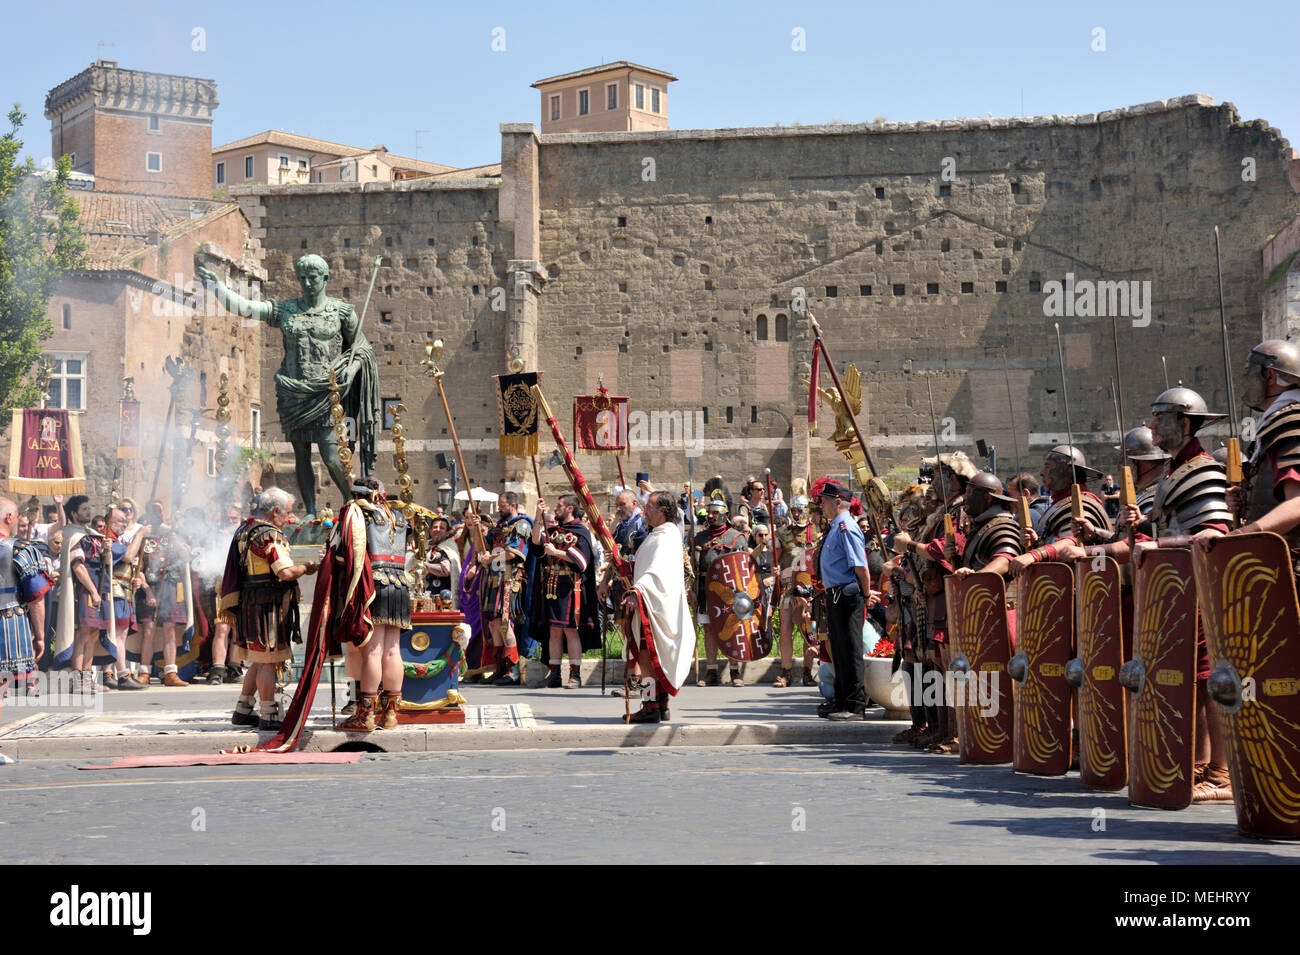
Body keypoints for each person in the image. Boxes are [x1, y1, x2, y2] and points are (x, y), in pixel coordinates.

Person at [197, 255, 382, 519]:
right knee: (301, 455)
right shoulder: (285, 309)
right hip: (293, 392)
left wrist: (351, 369)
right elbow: (246, 307)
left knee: (331, 455)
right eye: (302, 278)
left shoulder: (342, 312)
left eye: (313, 277)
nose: (307, 282)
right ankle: (310, 510)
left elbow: (362, 349)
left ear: (325, 278)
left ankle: (352, 504)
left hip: (327, 394)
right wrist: (218, 289)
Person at [218, 488, 318, 731]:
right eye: (288, 513)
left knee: (257, 660)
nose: (290, 518)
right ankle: (268, 713)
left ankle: (243, 710)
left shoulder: (245, 530)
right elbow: (284, 572)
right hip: (267, 609)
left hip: (251, 603)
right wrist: (308, 567)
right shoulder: (268, 536)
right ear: (275, 511)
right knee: (268, 662)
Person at [333, 478, 411, 732]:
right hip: (399, 583)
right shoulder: (399, 517)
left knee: (374, 652)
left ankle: (365, 715)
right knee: (393, 651)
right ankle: (390, 715)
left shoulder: (357, 514)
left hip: (372, 585)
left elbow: (342, 554)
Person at [619, 491, 695, 723]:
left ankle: (650, 706)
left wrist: (636, 591)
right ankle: (661, 705)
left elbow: (656, 571)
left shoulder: (665, 537)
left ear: (662, 511)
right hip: (655, 602)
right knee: (654, 657)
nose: (645, 511)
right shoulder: (661, 534)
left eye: (650, 507)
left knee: (646, 656)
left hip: (654, 603)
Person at [813, 480, 870, 721]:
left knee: (850, 650)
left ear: (837, 502)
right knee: (839, 650)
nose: (821, 506)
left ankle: (856, 705)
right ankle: (842, 700)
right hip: (835, 595)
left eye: (824, 501)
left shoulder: (846, 526)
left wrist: (866, 595)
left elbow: (860, 566)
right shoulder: (835, 526)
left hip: (847, 596)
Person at [0, 497, 51, 763]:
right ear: (9, 518)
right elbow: (36, 597)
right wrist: (40, 636)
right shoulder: (20, 549)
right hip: (7, 623)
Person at [533, 494, 601, 689]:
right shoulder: (554, 530)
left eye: (560, 505)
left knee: (570, 630)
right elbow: (537, 541)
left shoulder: (581, 532)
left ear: (570, 508)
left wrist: (557, 553)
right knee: (553, 630)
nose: (556, 508)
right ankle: (554, 674)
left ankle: (575, 675)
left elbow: (582, 560)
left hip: (570, 588)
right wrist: (538, 514)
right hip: (551, 585)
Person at [465, 492, 533, 686]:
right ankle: (500, 668)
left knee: (504, 622)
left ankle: (513, 670)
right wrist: (477, 528)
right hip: (494, 578)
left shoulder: (521, 525)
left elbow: (513, 553)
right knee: (493, 624)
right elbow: (480, 548)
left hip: (510, 578)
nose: (499, 508)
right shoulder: (499, 527)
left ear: (512, 505)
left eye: (502, 505)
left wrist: (490, 559)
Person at [693, 479, 751, 687]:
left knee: (731, 628)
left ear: (724, 514)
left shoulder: (736, 537)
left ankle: (734, 671)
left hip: (730, 592)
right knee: (709, 629)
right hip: (705, 589)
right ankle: (711, 671)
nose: (710, 516)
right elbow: (692, 567)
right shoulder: (699, 538)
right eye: (709, 512)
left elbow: (744, 568)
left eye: (715, 513)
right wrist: (691, 590)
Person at [774, 491, 819, 687]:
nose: (797, 514)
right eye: (794, 510)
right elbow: (775, 559)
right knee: (785, 630)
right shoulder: (782, 534)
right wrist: (776, 569)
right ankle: (786, 672)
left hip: (810, 588)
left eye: (800, 510)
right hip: (788, 588)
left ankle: (808, 672)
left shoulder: (817, 533)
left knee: (808, 629)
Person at [424, 516, 462, 608]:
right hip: (425, 596)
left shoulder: (449, 548)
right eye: (435, 527)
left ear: (447, 533)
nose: (438, 530)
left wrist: (424, 566)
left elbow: (445, 570)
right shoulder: (425, 546)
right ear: (430, 531)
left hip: (443, 598)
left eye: (441, 528)